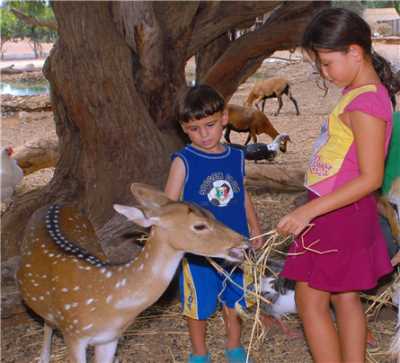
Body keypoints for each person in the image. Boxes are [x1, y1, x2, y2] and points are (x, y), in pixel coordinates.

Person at [276, 8, 399, 363]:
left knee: (309, 300)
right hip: (338, 208)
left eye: (327, 63)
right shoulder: (360, 93)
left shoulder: (366, 102)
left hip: (337, 213)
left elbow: (372, 178)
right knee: (344, 295)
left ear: (355, 52)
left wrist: (309, 210)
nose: (323, 73)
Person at [165, 84, 262, 363]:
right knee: (199, 305)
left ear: (223, 119)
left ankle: (234, 347)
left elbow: (242, 195)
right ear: (184, 129)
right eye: (194, 128)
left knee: (237, 299)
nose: (203, 134)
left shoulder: (236, 156)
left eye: (209, 125)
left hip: (235, 244)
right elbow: (170, 207)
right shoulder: (184, 161)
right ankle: (199, 354)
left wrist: (254, 229)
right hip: (199, 252)